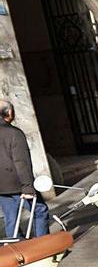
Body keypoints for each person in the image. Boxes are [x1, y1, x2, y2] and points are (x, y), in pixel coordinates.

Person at [0, 100, 49, 239]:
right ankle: (42, 245)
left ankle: (17, 248)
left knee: (11, 217)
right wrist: (28, 187)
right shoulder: (13, 133)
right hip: (17, 183)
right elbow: (21, 162)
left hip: (1, 186)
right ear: (9, 113)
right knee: (40, 211)